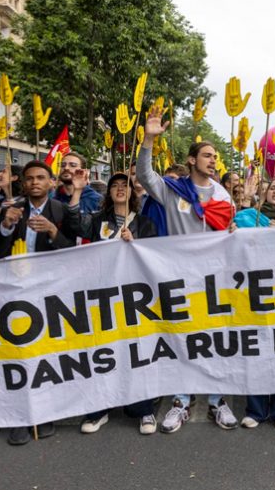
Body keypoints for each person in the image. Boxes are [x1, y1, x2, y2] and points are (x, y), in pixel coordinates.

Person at [137, 105, 237, 433]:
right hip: (179, 279)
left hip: (214, 280)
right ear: (192, 160)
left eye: (215, 156)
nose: (213, 160)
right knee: (182, 339)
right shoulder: (172, 190)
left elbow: (229, 236)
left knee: (215, 340)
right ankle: (181, 401)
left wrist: (233, 233)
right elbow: (144, 176)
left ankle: (216, 400)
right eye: (207, 155)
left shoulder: (224, 197)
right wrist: (149, 140)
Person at [0, 160, 77, 445]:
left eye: (41, 178)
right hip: (16, 291)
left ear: (52, 183)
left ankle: (44, 413)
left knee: (45, 355)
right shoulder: (11, 210)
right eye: (29, 179)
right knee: (19, 355)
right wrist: (5, 226)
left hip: (49, 292)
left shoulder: (61, 211)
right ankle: (21, 416)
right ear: (23, 184)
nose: (35, 182)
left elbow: (72, 256)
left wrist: (53, 231)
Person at [66, 169, 158, 434]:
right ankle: (99, 410)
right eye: (114, 185)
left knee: (137, 352)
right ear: (108, 192)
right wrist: (78, 191)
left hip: (133, 299)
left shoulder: (145, 224)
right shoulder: (97, 221)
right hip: (101, 296)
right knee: (103, 353)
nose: (120, 188)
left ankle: (144, 410)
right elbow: (74, 225)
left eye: (125, 185)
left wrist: (136, 242)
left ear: (133, 192)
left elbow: (154, 258)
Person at [230, 178, 275, 430]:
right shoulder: (246, 216)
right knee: (257, 352)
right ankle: (256, 410)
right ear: (264, 192)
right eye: (272, 188)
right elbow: (235, 248)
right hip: (255, 294)